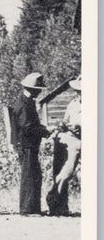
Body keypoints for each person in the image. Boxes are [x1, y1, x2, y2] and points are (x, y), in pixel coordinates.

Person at [9, 72, 51, 215]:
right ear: (31, 89)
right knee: (29, 175)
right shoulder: (23, 105)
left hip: (28, 144)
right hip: (26, 145)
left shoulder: (27, 102)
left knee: (34, 174)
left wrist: (43, 130)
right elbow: (28, 128)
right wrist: (45, 131)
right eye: (38, 89)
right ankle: (27, 209)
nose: (39, 91)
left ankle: (33, 208)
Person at [45, 77, 81, 216]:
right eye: (77, 91)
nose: (79, 94)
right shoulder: (73, 104)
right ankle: (54, 199)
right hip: (74, 141)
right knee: (67, 172)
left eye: (81, 91)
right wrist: (64, 126)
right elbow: (66, 120)